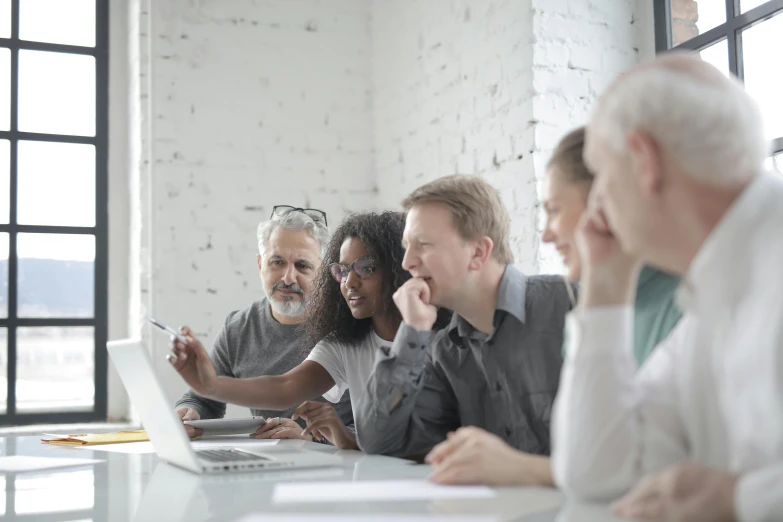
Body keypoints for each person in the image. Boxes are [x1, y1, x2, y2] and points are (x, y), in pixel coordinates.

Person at [552, 53, 783, 522]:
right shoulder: (707, 304)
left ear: (644, 160)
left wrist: (742, 500)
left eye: (603, 173)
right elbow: (597, 474)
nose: (599, 202)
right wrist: (607, 284)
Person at [355, 175, 573, 487]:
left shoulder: (572, 305)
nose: (407, 262)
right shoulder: (443, 352)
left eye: (424, 245)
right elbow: (378, 440)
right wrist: (412, 332)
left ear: (478, 253)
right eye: (406, 247)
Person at [169, 212, 447, 449]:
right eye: (342, 271)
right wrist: (206, 386)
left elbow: (425, 439)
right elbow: (285, 388)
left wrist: (333, 438)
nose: (349, 282)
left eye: (365, 268)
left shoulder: (443, 340)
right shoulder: (344, 343)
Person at [173, 206, 352, 439]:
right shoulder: (239, 329)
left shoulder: (349, 327)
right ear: (260, 265)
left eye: (303, 266)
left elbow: (379, 429)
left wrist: (311, 438)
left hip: (342, 468)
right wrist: (188, 412)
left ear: (324, 273)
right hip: (268, 464)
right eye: (277, 262)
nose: (288, 278)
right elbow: (203, 398)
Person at [541, 126, 682, 366]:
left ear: (603, 202)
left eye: (554, 210)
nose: (545, 236)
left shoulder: (686, 305)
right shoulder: (584, 319)